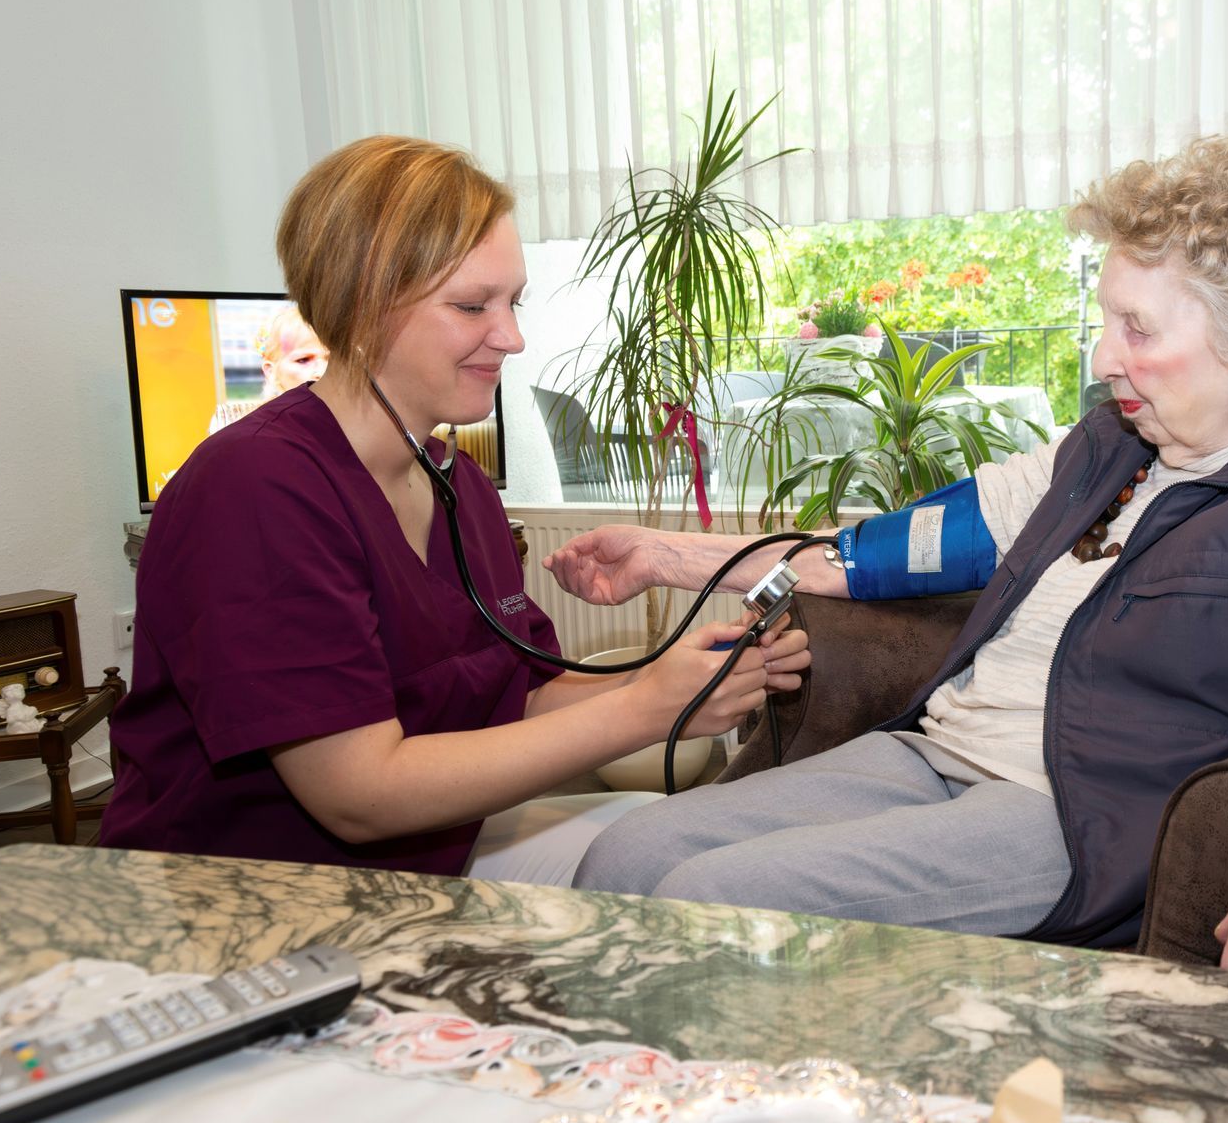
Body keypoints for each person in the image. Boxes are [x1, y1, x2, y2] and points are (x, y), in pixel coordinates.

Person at [548, 135, 1228, 986]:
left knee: (709, 905)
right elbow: (879, 556)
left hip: (1081, 812)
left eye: (1140, 329)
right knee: (630, 857)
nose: (1106, 359)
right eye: (1106, 319)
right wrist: (664, 554)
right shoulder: (1107, 445)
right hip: (938, 757)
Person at [102, 135, 810, 882]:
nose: (511, 337)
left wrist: (687, 679)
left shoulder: (457, 484)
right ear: (359, 302)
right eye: (473, 305)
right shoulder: (255, 490)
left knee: (719, 853)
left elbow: (522, 692)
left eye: (513, 302)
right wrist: (642, 712)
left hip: (434, 851)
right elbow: (359, 795)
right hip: (254, 890)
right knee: (683, 887)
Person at [209, 305, 333, 433]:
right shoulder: (236, 426)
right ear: (271, 371)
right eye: (303, 360)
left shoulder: (350, 423)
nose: (321, 371)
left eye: (331, 359)